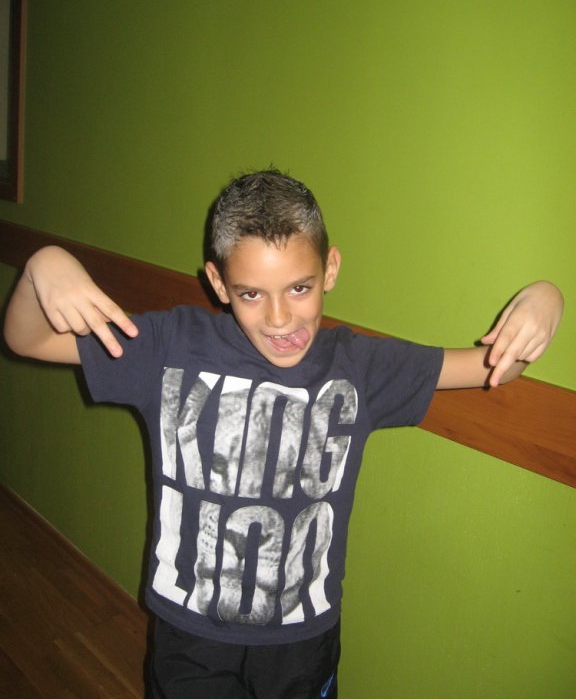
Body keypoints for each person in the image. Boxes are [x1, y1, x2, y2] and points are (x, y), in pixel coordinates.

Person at [3, 170, 564, 699]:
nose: (279, 319)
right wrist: (43, 265)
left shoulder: (360, 366)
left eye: (299, 287)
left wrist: (546, 298)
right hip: (189, 636)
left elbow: (494, 366)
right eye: (251, 293)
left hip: (303, 639)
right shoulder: (169, 348)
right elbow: (27, 340)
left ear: (331, 269)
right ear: (218, 283)